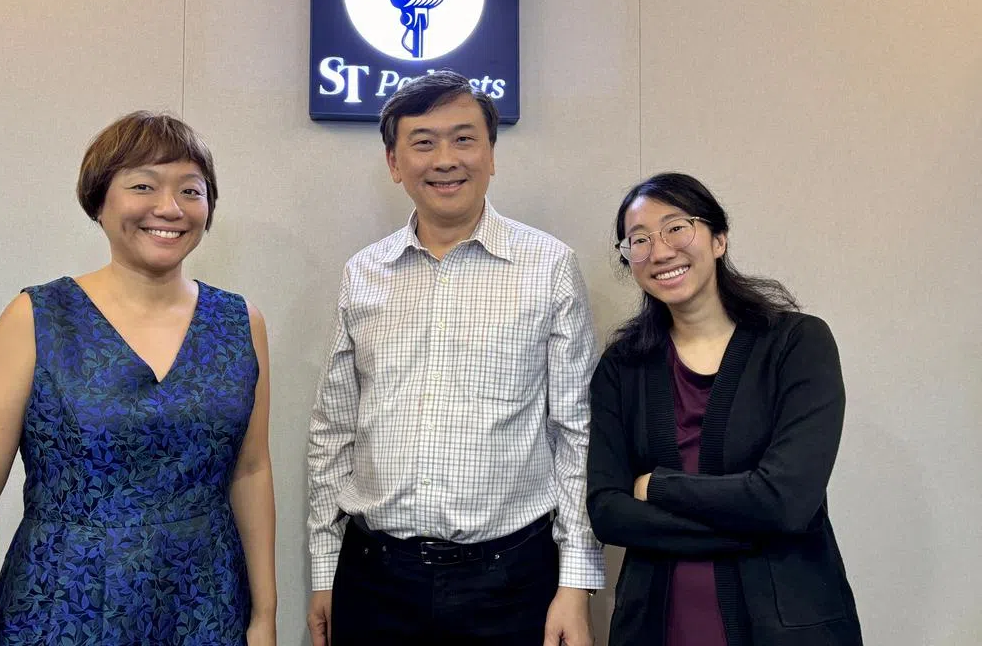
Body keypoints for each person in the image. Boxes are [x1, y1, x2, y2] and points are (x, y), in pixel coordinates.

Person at [0, 112, 276, 645]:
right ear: (100, 199)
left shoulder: (240, 322)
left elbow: (250, 471)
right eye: (144, 185)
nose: (169, 207)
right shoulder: (38, 317)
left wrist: (263, 618)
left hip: (207, 608)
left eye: (191, 190)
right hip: (64, 607)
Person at [306, 71, 605, 646]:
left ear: (491, 154)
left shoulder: (549, 267)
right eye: (423, 142)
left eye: (464, 139)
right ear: (395, 163)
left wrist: (575, 582)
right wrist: (325, 573)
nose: (446, 159)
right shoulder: (362, 275)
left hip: (513, 581)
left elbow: (577, 434)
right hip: (374, 578)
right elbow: (333, 432)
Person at [586, 172, 863, 646]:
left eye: (677, 227)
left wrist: (659, 487)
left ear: (718, 238)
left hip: (789, 625)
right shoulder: (621, 367)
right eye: (639, 240)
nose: (660, 251)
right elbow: (609, 512)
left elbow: (787, 500)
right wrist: (757, 524)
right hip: (655, 623)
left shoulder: (798, 344)